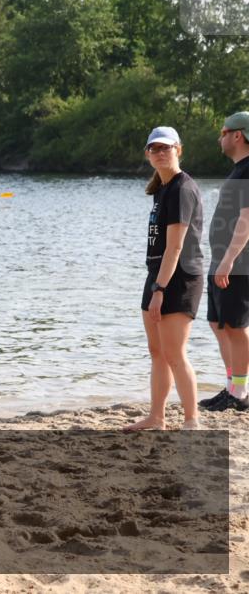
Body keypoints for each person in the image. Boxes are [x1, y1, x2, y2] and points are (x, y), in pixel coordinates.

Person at [125, 126, 204, 432]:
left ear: (178, 150)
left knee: (174, 353)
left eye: (165, 147)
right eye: (154, 149)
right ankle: (157, 417)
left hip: (179, 278)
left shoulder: (183, 188)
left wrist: (159, 289)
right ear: (147, 154)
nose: (159, 153)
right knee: (156, 351)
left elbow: (176, 247)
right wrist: (155, 284)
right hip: (157, 275)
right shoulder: (161, 188)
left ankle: (191, 420)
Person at [200, 111, 249, 412]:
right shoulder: (239, 169)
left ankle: (240, 393)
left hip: (239, 262)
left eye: (223, 132)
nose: (220, 138)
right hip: (223, 259)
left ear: (237, 135)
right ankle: (232, 386)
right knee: (218, 323)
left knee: (235, 326)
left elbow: (247, 219)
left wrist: (230, 259)